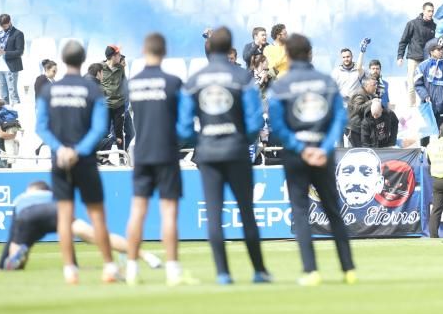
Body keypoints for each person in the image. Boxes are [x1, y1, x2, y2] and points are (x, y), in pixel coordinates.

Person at [178, 27, 270, 285]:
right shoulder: (242, 77)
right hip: (237, 151)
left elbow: (183, 127)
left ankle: (223, 273)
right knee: (247, 212)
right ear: (230, 48)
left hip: (208, 154)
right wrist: (239, 137)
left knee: (214, 214)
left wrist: (203, 140)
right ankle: (259, 271)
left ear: (208, 48)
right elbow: (255, 122)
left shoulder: (194, 79)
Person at [267, 33, 355, 286]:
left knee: (300, 211)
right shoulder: (326, 81)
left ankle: (311, 271)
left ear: (288, 56)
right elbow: (340, 117)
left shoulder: (281, 86)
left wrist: (299, 147)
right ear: (310, 54)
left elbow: (277, 123)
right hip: (322, 153)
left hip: (296, 155)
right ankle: (348, 269)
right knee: (333, 210)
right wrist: (324, 148)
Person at [34, 40, 119, 285]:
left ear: (62, 59)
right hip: (84, 161)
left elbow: (41, 126)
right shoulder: (93, 90)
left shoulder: (50, 90)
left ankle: (70, 271)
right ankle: (109, 268)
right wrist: (78, 151)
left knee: (64, 216)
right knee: (97, 215)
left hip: (59, 160)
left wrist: (61, 149)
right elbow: (100, 127)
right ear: (83, 61)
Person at [123, 33, 194, 287]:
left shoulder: (133, 84)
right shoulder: (174, 82)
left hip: (141, 152)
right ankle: (173, 271)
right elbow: (186, 127)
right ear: (165, 52)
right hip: (166, 152)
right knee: (169, 213)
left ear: (144, 50)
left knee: (137, 212)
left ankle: (131, 269)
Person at [0, 181, 163, 274]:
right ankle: (145, 256)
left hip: (26, 216)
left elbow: (11, 233)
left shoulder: (21, 199)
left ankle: (18, 256)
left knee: (16, 257)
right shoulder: (52, 195)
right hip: (56, 211)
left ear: (31, 190)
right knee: (96, 235)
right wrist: (75, 264)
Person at [415, 38, 443, 135]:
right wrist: (425, 96)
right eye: (438, 49)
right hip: (429, 106)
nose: (441, 51)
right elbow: (418, 84)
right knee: (429, 133)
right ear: (431, 51)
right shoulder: (422, 66)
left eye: (442, 49)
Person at [396, 2, 436, 108]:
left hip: (427, 60)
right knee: (412, 84)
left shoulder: (434, 26)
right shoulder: (412, 24)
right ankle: (412, 106)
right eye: (429, 11)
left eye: (432, 11)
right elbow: (403, 41)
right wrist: (400, 56)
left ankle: (426, 106)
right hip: (413, 58)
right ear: (423, 11)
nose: (431, 13)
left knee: (428, 84)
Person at [98, 45, 127, 148]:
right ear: (113, 56)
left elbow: (124, 84)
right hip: (105, 105)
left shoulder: (121, 68)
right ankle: (104, 157)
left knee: (119, 131)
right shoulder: (100, 67)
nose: (120, 56)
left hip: (119, 105)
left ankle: (121, 157)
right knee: (105, 131)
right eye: (118, 54)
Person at [0, 14, 23, 107]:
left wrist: (5, 53)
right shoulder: (0, 33)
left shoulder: (18, 34)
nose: (3, 27)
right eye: (1, 26)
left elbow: (20, 52)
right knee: (3, 95)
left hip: (11, 67)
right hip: (0, 67)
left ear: (9, 22)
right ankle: (5, 117)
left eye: (4, 25)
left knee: (13, 92)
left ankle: (17, 117)